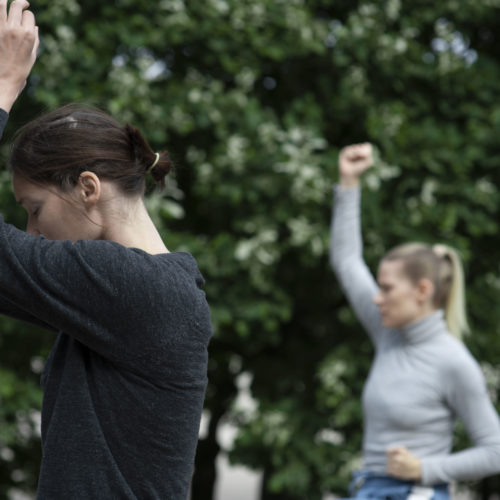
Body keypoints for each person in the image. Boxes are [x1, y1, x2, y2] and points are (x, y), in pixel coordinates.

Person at [0, 1, 212, 499]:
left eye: (34, 209)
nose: (31, 233)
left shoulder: (132, 286)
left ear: (87, 188)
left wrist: (5, 87)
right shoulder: (139, 291)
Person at [330, 143, 500, 499]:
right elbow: (347, 262)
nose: (377, 297)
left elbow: (495, 449)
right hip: (368, 488)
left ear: (421, 291)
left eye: (387, 288)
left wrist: (425, 469)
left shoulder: (453, 361)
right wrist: (348, 183)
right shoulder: (387, 331)